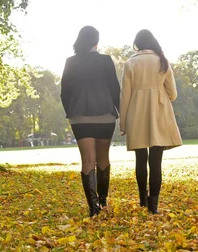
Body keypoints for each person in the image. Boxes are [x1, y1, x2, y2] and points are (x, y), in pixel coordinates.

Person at [120, 29, 182, 214]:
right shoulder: (162, 61)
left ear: (137, 44)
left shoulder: (130, 63)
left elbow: (125, 96)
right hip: (159, 113)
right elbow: (173, 94)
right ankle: (153, 206)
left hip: (137, 113)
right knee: (156, 161)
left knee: (140, 159)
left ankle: (142, 199)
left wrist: (123, 123)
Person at [60, 26, 120, 217]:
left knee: (87, 160)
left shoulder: (71, 62)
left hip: (80, 117)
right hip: (105, 115)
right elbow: (114, 89)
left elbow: (64, 92)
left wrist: (70, 112)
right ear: (96, 41)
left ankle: (93, 208)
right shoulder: (105, 61)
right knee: (103, 158)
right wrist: (119, 112)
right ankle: (102, 201)